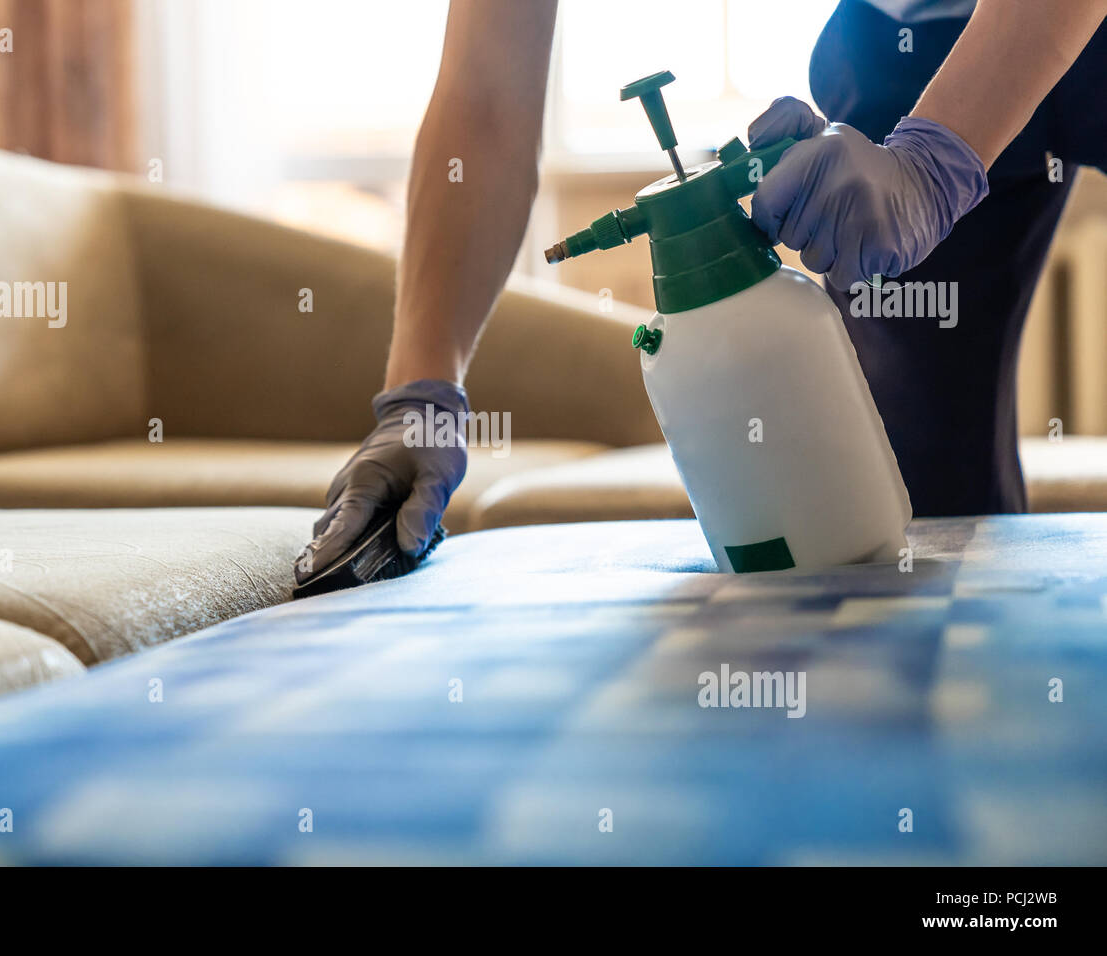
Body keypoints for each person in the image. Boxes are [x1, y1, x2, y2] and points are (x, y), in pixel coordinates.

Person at [295, 0, 1107, 584]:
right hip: (913, 34)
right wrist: (421, 393)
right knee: (898, 505)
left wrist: (937, 159)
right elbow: (484, 95)